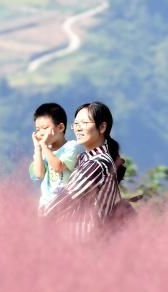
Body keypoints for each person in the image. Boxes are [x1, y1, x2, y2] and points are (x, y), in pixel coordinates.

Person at [43, 101, 128, 237]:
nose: (78, 128)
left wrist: (39, 221)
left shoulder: (97, 164)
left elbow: (67, 198)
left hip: (87, 245)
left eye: (84, 123)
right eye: (76, 124)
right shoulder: (87, 160)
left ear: (102, 127)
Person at [29, 102, 80, 214]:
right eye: (38, 130)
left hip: (65, 207)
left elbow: (58, 166)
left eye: (45, 128)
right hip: (45, 207)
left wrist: (44, 146)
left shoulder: (71, 146)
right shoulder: (42, 150)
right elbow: (38, 174)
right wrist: (38, 148)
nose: (41, 133)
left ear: (60, 127)